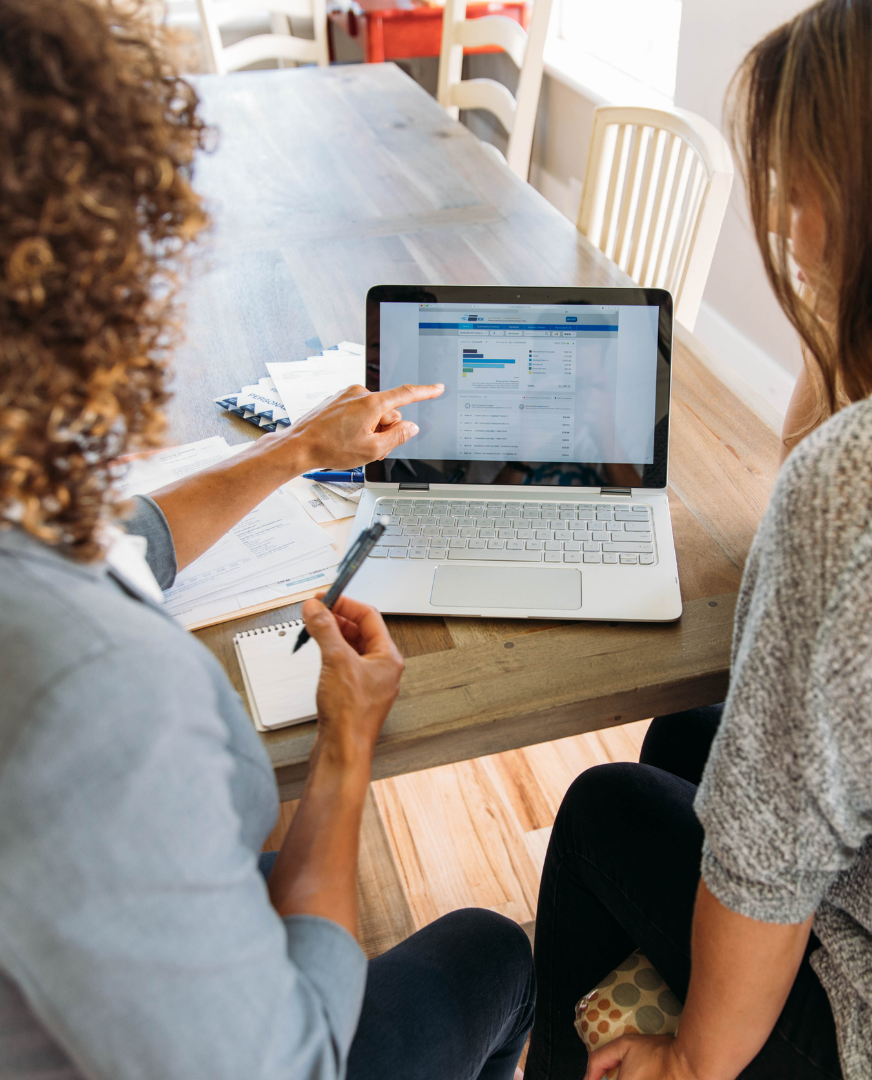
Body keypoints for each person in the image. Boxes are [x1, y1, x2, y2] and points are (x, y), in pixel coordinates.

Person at [523, 0, 872, 1078]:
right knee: (694, 730)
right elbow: (814, 451)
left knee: (601, 809)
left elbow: (765, 869)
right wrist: (850, 320)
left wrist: (691, 1064)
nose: (780, 218)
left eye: (801, 180)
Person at [0, 2, 534, 1078]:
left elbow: (123, 539)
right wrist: (345, 748)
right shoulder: (96, 695)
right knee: (495, 952)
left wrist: (298, 450)